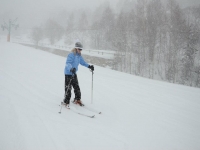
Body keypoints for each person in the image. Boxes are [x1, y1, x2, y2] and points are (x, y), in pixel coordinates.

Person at [63, 41, 94, 108]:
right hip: (68, 73)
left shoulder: (79, 56)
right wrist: (71, 68)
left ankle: (77, 99)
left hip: (74, 73)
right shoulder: (71, 54)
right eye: (79, 49)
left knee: (76, 87)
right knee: (68, 88)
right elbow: (68, 63)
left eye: (81, 49)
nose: (80, 51)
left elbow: (83, 62)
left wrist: (89, 66)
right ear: (76, 48)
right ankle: (66, 101)